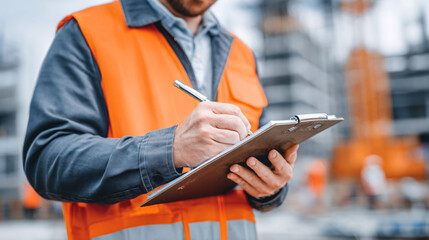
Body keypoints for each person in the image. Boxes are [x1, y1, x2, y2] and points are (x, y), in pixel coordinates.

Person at [23, 0, 299, 239]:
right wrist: (172, 150)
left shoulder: (242, 54)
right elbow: (48, 161)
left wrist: (269, 188)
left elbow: (256, 181)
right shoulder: (86, 33)